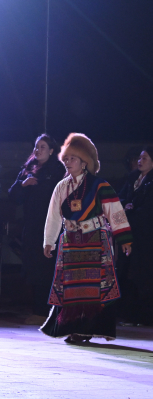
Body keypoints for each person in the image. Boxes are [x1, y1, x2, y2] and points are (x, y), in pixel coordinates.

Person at [40, 133, 132, 344]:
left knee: (94, 288)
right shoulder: (61, 187)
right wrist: (49, 241)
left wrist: (124, 238)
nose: (68, 162)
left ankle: (87, 329)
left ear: (85, 162)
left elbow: (115, 212)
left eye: (73, 158)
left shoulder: (99, 186)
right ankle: (72, 327)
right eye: (66, 158)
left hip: (95, 241)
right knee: (71, 287)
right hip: (70, 242)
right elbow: (53, 216)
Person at [8, 135, 66, 316]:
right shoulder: (28, 169)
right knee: (32, 266)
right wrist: (23, 184)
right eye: (36, 146)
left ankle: (48, 309)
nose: (38, 150)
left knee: (47, 266)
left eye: (42, 147)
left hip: (50, 226)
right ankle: (38, 308)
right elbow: (13, 196)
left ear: (51, 151)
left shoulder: (58, 170)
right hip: (31, 226)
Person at [118, 147, 153, 326]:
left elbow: (147, 210)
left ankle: (144, 316)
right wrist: (126, 206)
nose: (140, 161)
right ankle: (128, 314)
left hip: (145, 236)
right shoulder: (132, 178)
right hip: (129, 232)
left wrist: (130, 211)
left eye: (144, 158)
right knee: (127, 271)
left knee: (143, 274)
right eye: (139, 158)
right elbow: (120, 199)